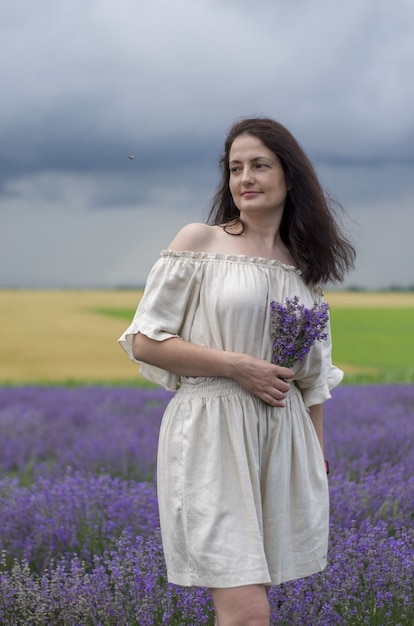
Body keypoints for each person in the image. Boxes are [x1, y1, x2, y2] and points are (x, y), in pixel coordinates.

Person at [118, 116, 355, 626]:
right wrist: (235, 365)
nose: (245, 177)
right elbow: (144, 340)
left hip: (282, 440)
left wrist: (316, 459)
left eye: (259, 165)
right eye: (235, 168)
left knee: (255, 601)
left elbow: (314, 381)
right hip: (212, 434)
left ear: (290, 177)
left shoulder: (304, 269)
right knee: (246, 610)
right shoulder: (200, 241)